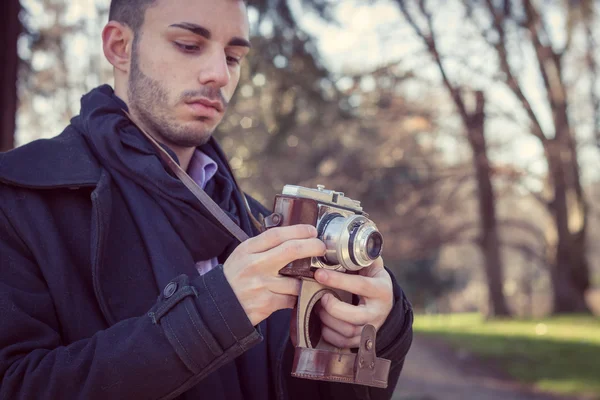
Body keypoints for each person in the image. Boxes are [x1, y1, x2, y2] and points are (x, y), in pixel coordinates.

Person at [0, 0, 413, 399]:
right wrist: (215, 313)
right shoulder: (17, 197)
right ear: (120, 47)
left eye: (233, 57)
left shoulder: (256, 221)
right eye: (189, 45)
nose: (218, 74)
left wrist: (369, 335)